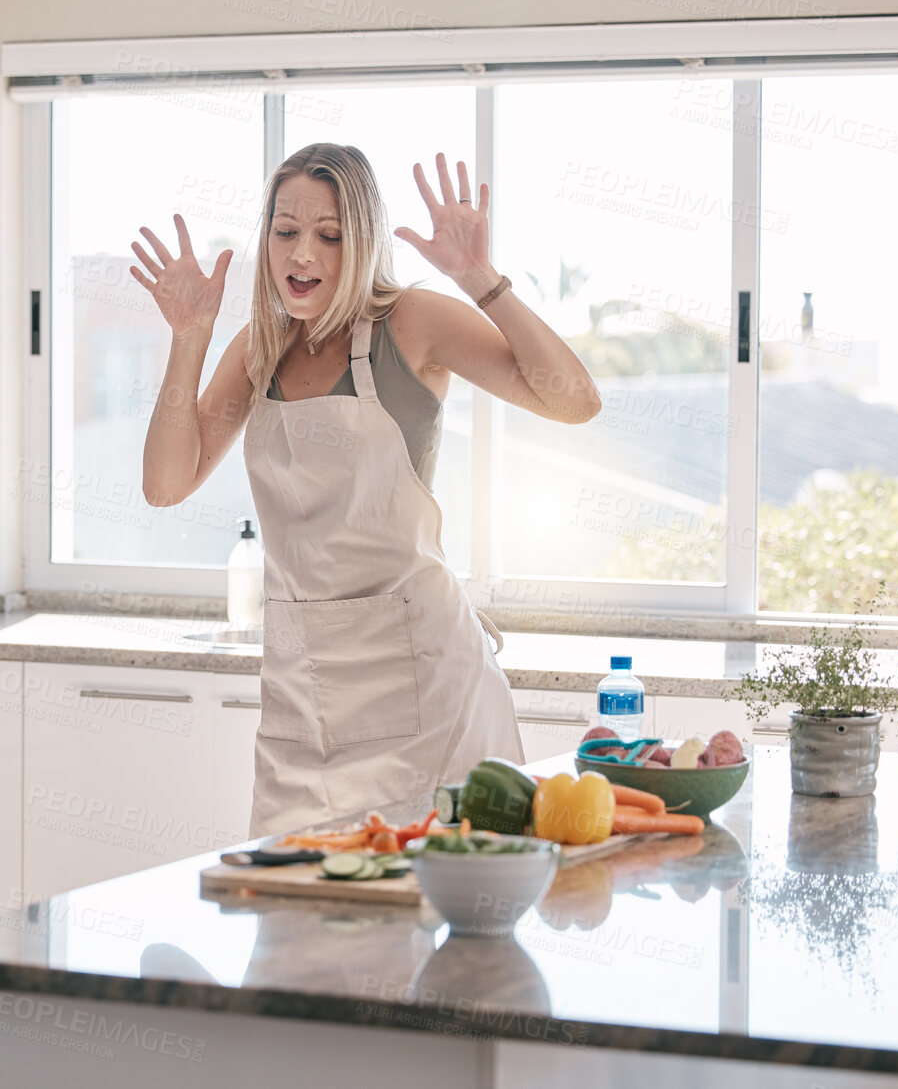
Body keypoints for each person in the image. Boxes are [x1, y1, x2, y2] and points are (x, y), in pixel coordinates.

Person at [135, 143, 600, 837]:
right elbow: (164, 484)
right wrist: (190, 336)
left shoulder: (409, 322)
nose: (303, 255)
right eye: (286, 231)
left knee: (441, 915)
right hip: (305, 694)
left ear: (363, 242)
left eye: (329, 236)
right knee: (295, 916)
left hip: (430, 691)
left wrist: (480, 278)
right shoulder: (258, 348)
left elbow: (574, 401)